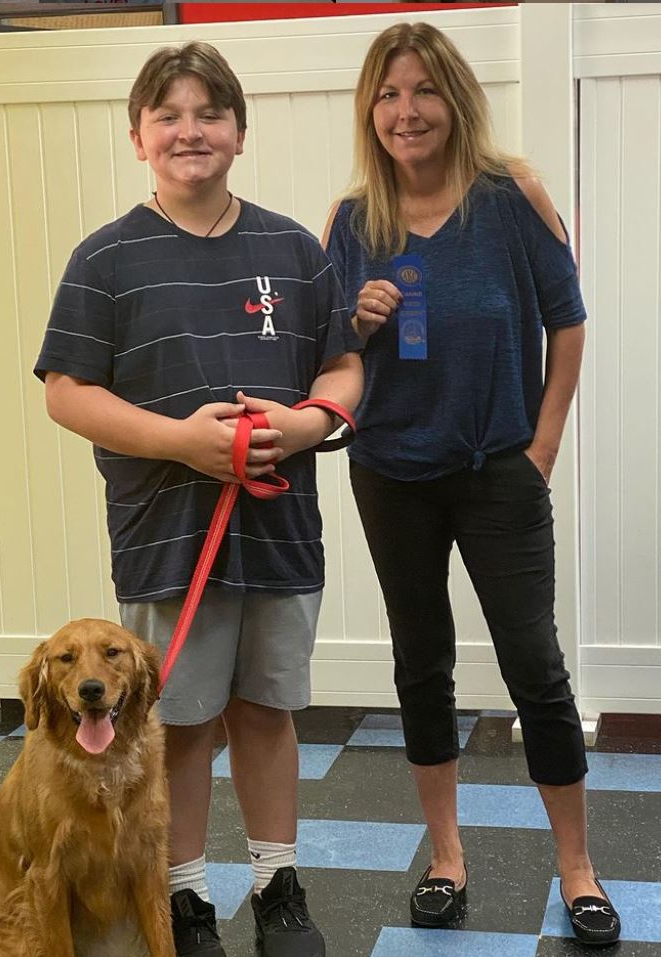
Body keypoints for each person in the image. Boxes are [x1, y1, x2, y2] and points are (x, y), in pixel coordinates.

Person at [35, 41, 362, 957]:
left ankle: (277, 884)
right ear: (137, 137)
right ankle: (180, 894)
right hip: (166, 537)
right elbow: (66, 391)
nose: (190, 131)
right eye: (168, 116)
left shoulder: (293, 249)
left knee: (266, 709)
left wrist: (307, 424)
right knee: (174, 722)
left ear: (239, 133)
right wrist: (182, 442)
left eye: (209, 113)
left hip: (279, 532)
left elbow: (342, 365)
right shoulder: (104, 258)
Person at [323, 21, 620, 947]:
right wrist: (355, 323)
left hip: (499, 468)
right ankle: (446, 859)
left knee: (535, 667)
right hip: (390, 473)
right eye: (387, 94)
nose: (405, 111)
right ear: (369, 111)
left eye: (422, 90)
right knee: (422, 665)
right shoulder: (351, 221)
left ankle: (577, 867)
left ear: (453, 99)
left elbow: (566, 320)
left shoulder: (508, 195)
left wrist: (542, 447)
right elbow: (325, 358)